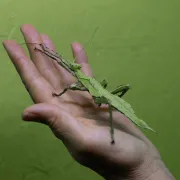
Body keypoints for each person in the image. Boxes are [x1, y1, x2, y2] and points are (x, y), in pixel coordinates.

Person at [2, 24, 175, 180]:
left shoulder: (84, 84)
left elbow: (69, 79)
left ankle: (113, 132)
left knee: (108, 102)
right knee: (91, 88)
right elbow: (65, 63)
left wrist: (146, 169)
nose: (73, 68)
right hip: (102, 95)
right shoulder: (82, 80)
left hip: (108, 98)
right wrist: (147, 169)